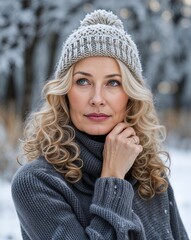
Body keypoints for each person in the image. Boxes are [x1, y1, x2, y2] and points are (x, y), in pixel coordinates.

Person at [11, 9, 189, 240]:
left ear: (131, 95)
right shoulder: (36, 183)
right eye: (83, 81)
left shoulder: (151, 176)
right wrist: (113, 179)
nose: (97, 98)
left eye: (113, 83)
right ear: (65, 92)